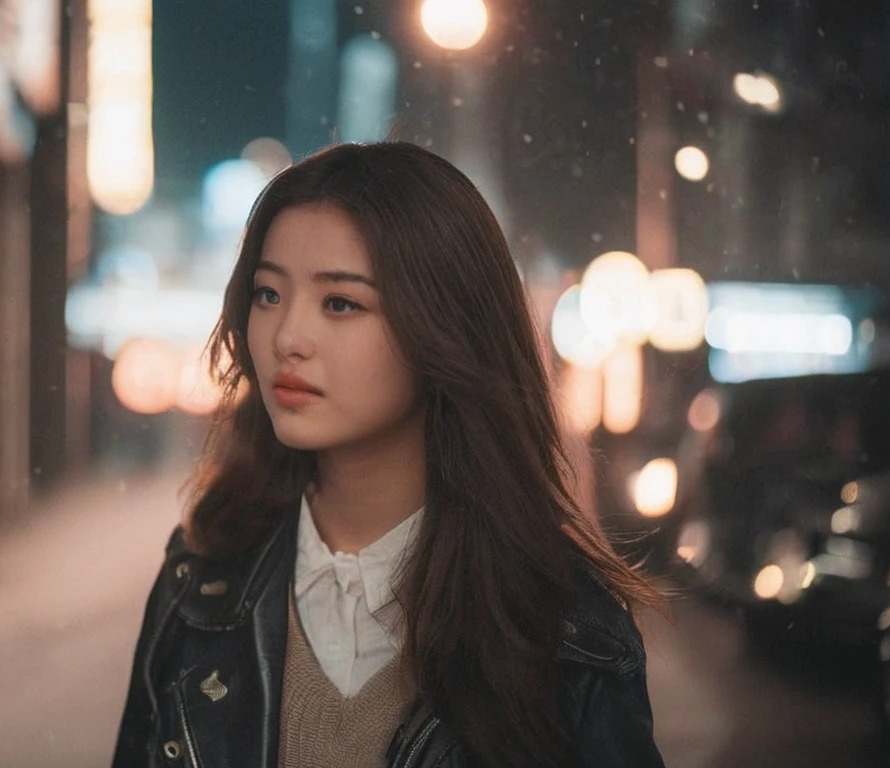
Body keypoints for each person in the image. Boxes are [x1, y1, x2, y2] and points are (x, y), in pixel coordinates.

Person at [111, 142, 667, 768]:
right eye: (268, 294)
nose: (288, 337)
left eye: (341, 303)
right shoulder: (201, 586)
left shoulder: (565, 629)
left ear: (444, 326)